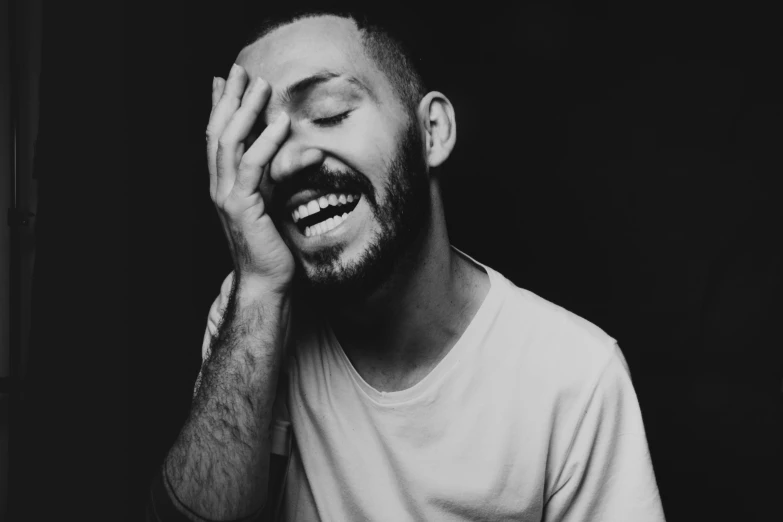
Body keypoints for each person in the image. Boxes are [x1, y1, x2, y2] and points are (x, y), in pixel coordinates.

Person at [147, 9, 666, 522]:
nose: (283, 164)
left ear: (432, 132)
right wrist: (259, 288)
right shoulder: (252, 318)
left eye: (328, 113)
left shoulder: (575, 376)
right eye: (259, 141)